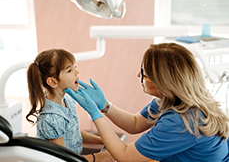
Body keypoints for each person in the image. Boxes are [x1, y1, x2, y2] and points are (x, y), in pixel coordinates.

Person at [65, 43, 229, 162]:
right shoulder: (171, 99)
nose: (138, 75)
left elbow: (125, 157)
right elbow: (135, 123)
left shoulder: (182, 121)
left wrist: (94, 113)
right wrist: (104, 105)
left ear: (163, 81)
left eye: (144, 72)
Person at [26, 49, 114, 162]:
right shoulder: (52, 118)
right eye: (69, 70)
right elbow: (62, 159)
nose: (77, 72)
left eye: (75, 67)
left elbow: (74, 132)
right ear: (53, 82)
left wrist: (103, 140)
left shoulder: (67, 100)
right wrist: (96, 157)